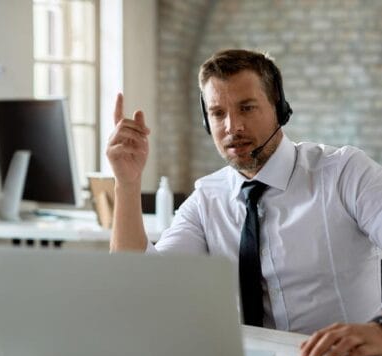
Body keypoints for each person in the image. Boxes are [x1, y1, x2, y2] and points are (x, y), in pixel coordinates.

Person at [106, 48, 382, 337]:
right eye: (217, 113)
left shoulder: (345, 173)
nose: (232, 127)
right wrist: (127, 184)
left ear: (279, 107)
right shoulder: (206, 200)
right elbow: (139, 285)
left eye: (246, 108)